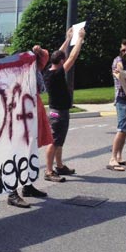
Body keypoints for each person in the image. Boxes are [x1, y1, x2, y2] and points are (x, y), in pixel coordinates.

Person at [7, 45, 52, 208]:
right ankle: (12, 192)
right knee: (15, 156)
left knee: (29, 154)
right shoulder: (10, 76)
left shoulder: (32, 70)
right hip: (18, 122)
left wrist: (38, 51)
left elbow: (44, 58)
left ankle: (28, 186)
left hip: (31, 119)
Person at [43, 26, 85, 182]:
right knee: (54, 142)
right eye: (63, 59)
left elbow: (61, 53)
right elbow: (72, 58)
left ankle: (59, 166)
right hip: (59, 113)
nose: (65, 60)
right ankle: (49, 171)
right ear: (61, 61)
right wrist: (80, 39)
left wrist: (68, 39)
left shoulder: (49, 71)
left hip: (56, 110)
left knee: (59, 141)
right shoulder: (57, 73)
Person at [107, 40, 126, 172]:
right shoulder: (118, 60)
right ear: (120, 51)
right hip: (122, 99)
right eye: (123, 50)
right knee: (122, 127)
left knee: (125, 129)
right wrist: (121, 71)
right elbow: (119, 70)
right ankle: (112, 159)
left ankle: (119, 157)